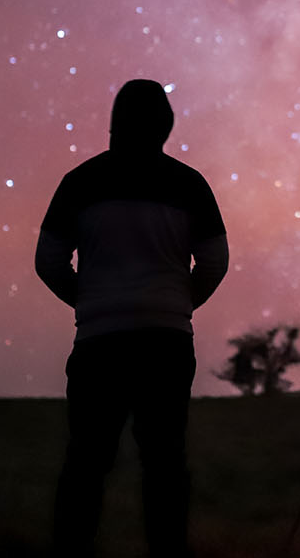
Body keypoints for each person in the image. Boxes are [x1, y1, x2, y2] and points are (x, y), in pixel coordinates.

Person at [36, 79, 229, 557]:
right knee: (164, 463)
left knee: (85, 462)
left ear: (114, 123)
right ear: (165, 125)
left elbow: (48, 261)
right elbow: (215, 262)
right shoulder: (189, 184)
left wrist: (89, 301)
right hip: (165, 341)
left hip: (100, 341)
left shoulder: (80, 181)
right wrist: (179, 302)